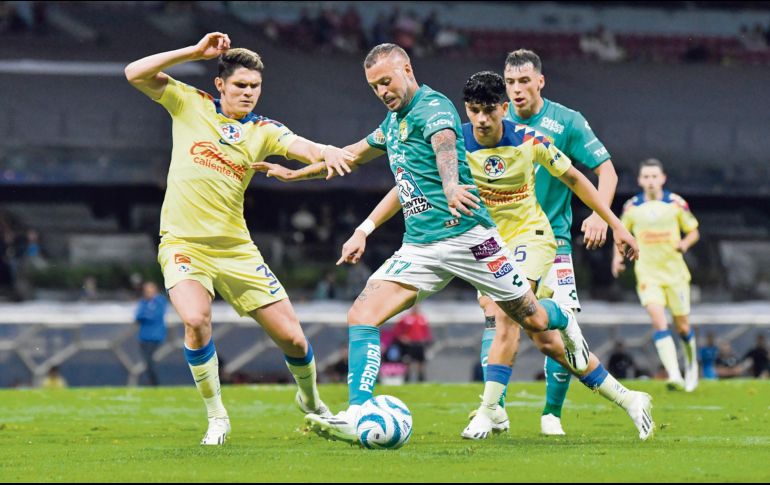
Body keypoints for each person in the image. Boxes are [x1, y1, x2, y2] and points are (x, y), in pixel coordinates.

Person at [254, 44, 652, 443]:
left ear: (407, 69)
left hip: (471, 239)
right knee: (361, 315)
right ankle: (358, 412)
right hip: (421, 247)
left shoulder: (435, 109)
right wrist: (295, 176)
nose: (382, 91)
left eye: (387, 81)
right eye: (374, 86)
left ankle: (556, 331)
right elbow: (352, 157)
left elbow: (445, 144)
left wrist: (450, 185)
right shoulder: (393, 123)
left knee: (534, 324)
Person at [124, 31, 352, 445]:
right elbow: (134, 72)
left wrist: (328, 151)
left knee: (293, 338)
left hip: (236, 250)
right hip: (183, 244)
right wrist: (194, 52)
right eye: (241, 85)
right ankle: (217, 417)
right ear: (220, 84)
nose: (249, 92)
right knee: (195, 320)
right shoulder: (189, 103)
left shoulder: (263, 130)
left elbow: (304, 147)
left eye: (255, 86)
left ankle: (312, 401)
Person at [496, 48, 621, 436]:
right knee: (498, 321)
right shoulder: (494, 120)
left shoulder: (566, 121)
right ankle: (493, 408)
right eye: (510, 82)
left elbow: (606, 171)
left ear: (540, 81)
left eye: (524, 81)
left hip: (553, 240)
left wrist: (601, 215)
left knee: (563, 326)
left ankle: (551, 414)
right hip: (503, 239)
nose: (517, 90)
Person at [613, 158, 700, 393]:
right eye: (646, 177)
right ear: (640, 180)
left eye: (654, 176)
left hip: (675, 274)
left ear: (662, 178)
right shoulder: (632, 207)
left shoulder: (675, 203)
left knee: (682, 326)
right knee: (659, 321)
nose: (650, 181)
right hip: (647, 274)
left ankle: (691, 365)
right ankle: (674, 375)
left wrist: (684, 244)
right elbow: (621, 234)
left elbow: (693, 231)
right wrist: (617, 258)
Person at [134, 281, 168, 386]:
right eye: (146, 291)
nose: (148, 293)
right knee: (147, 361)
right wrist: (147, 314)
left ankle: (155, 384)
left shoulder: (160, 301)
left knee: (150, 361)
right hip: (143, 336)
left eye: (150, 290)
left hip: (155, 336)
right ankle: (152, 383)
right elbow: (138, 316)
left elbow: (155, 315)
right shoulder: (143, 302)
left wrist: (147, 315)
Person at [391, 304, 433, 382]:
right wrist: (402, 338)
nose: (416, 309)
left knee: (421, 361)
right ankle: (407, 378)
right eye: (415, 307)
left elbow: (426, 331)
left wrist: (427, 340)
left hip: (420, 343)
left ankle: (421, 379)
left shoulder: (422, 318)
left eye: (418, 307)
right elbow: (397, 330)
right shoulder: (405, 318)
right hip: (409, 344)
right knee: (408, 361)